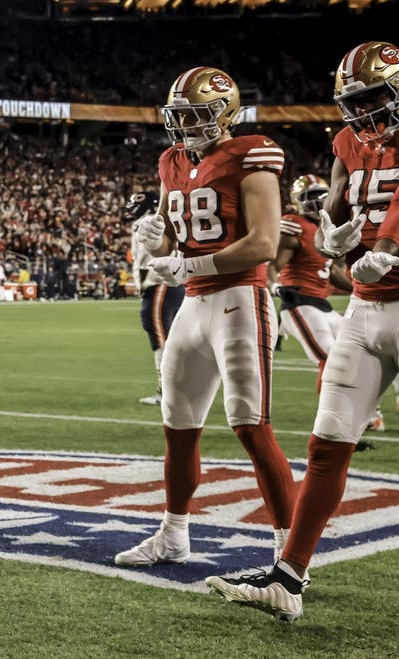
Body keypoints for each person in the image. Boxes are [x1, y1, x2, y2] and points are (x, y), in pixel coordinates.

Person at [206, 41, 399, 621]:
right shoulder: (347, 141)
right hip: (366, 308)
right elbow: (339, 197)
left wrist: (386, 246)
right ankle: (287, 581)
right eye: (354, 102)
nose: (363, 114)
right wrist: (335, 229)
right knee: (326, 446)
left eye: (373, 99)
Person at [115, 67, 296, 567]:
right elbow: (177, 242)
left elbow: (263, 243)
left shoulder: (251, 153)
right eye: (180, 115)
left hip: (241, 299)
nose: (187, 125)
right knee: (177, 426)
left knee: (250, 426)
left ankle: (290, 552)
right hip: (192, 305)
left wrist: (186, 262)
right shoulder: (170, 160)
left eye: (197, 115)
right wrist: (159, 242)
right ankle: (174, 535)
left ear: (226, 114)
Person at [128, 190, 185, 406]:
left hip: (159, 284)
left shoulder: (145, 223)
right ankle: (174, 389)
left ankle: (166, 392)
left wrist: (142, 286)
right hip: (173, 283)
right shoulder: (163, 220)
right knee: (168, 339)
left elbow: (143, 262)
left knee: (161, 340)